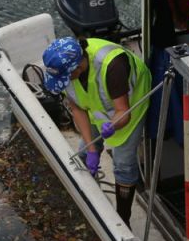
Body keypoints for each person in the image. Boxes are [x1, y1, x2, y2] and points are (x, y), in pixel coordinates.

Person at [42, 35, 151, 227]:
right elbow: (77, 109)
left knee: (123, 164)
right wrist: (92, 150)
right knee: (84, 152)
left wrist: (113, 125)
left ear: (78, 67)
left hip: (131, 103)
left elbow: (123, 112)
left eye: (66, 78)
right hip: (97, 104)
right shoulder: (69, 72)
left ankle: (123, 218)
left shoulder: (113, 66)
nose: (65, 82)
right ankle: (89, 200)